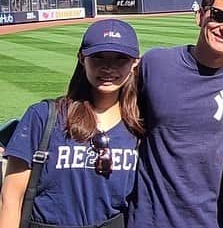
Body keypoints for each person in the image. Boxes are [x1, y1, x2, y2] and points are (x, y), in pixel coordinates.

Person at [127, 0, 223, 228]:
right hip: (152, 220)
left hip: (215, 221)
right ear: (200, 15)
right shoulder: (155, 64)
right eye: (218, 16)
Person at [0, 19, 142, 227]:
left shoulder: (139, 125)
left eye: (120, 58)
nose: (108, 67)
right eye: (98, 57)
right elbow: (11, 198)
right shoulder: (44, 117)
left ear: (135, 63)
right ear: (82, 58)